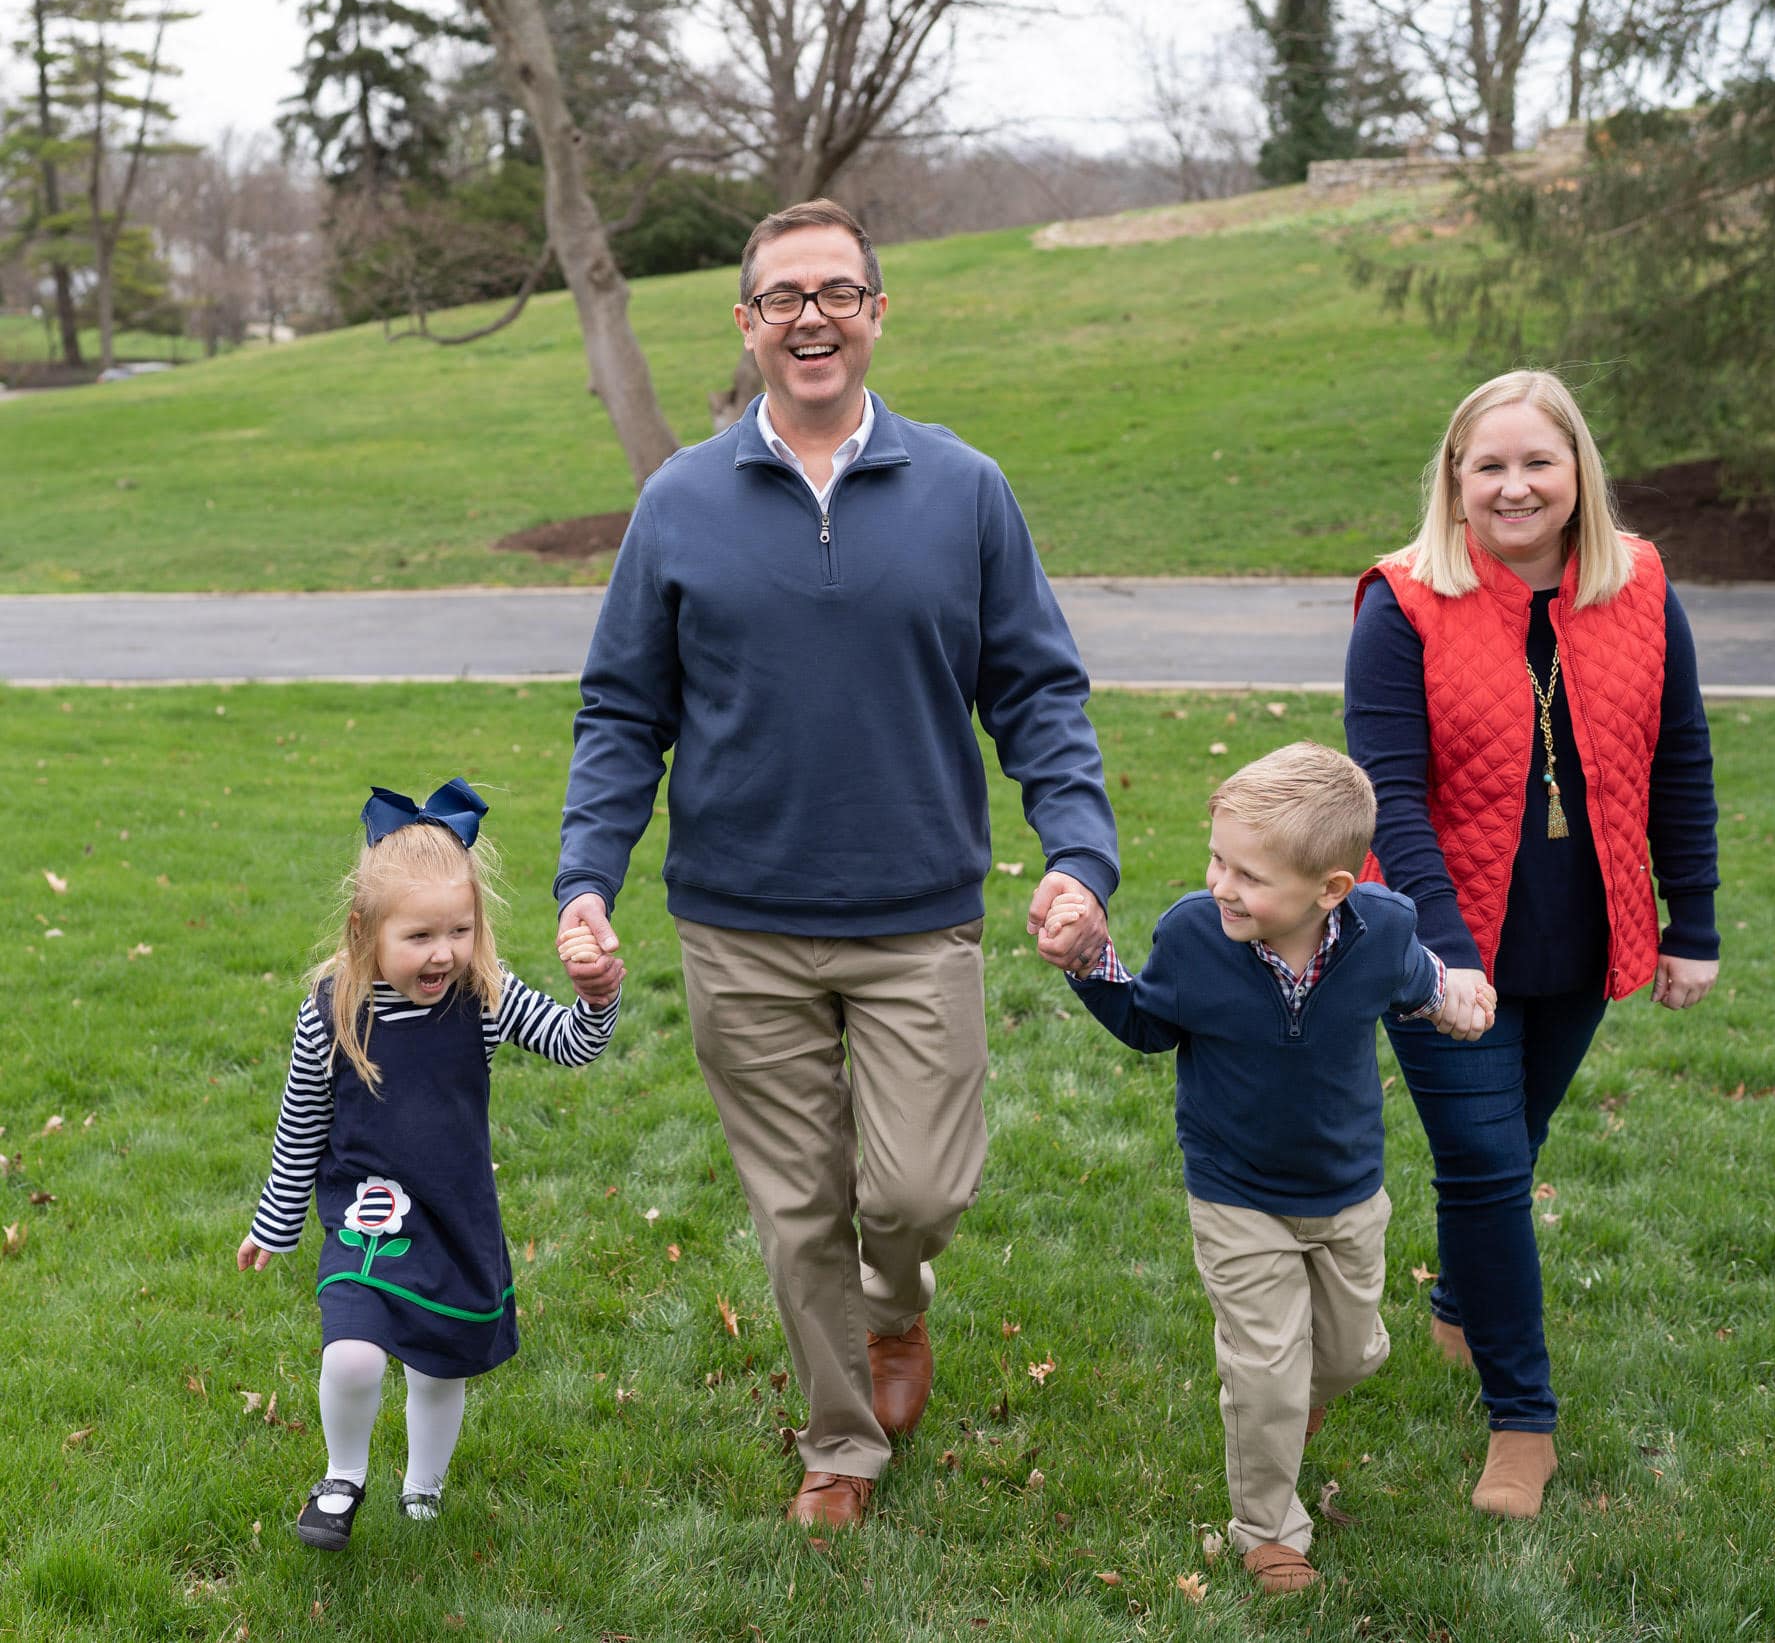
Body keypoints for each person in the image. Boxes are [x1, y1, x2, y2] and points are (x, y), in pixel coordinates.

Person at [553, 198, 1119, 1535]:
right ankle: (839, 1441)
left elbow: (1037, 688)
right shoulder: (680, 501)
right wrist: (587, 876)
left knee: (913, 1191)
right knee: (798, 1207)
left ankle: (895, 1305)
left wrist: (1080, 851)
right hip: (738, 923)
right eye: (783, 297)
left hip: (917, 916)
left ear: (875, 314)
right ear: (747, 323)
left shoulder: (963, 489)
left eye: (837, 293)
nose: (811, 317)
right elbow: (622, 709)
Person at [1342, 370, 1720, 1520]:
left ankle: (1461, 1299)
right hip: (1436, 941)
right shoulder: (1401, 602)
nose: (1512, 486)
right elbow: (1389, 798)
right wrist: (1444, 953)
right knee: (1486, 1166)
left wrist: (1690, 919)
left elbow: (1679, 757)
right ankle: (1522, 1424)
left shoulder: (1638, 585)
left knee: (1514, 1139)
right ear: (1453, 479)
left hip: (1579, 932)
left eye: (1535, 463)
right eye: (1487, 465)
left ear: (1575, 474)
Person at [1041, 742, 1493, 1595]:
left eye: (1248, 875)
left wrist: (1453, 999)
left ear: (1331, 889)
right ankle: (1268, 1530)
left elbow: (1416, 978)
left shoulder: (1382, 929)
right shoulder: (1193, 936)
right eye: (1218, 858)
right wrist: (1088, 962)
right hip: (1236, 1191)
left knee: (1350, 1353)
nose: (1220, 885)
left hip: (1346, 1189)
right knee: (1264, 1366)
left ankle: (1291, 1402)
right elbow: (1148, 1022)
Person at [238, 780, 622, 1551]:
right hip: (369, 1218)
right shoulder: (333, 1011)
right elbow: (300, 1124)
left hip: (453, 1216)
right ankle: (342, 1476)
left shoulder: (484, 995)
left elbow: (573, 1043)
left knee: (438, 1370)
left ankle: (423, 1485)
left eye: (459, 929)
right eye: (419, 935)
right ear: (365, 930)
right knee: (352, 1355)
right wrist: (275, 1223)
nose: (443, 951)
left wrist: (596, 997)